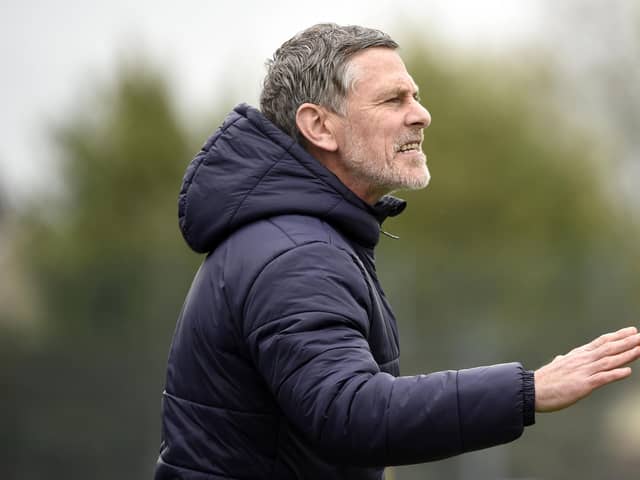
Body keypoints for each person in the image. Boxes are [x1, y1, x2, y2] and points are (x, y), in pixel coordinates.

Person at [155, 23, 640, 479]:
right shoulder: (296, 253)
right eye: (393, 99)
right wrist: (531, 390)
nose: (420, 114)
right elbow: (351, 413)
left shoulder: (300, 237)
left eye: (416, 96)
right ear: (319, 127)